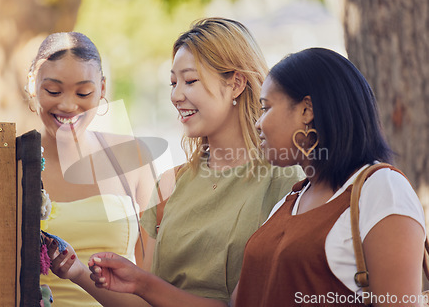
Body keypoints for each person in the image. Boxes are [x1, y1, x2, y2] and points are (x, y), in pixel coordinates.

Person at [88, 47, 426, 307]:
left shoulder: (380, 189)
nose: (258, 123)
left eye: (266, 108)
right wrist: (140, 283)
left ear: (307, 110)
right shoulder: (289, 201)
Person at [48, 18, 303, 306]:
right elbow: (144, 300)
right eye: (173, 82)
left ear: (236, 84)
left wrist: (144, 284)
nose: (176, 95)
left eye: (190, 81)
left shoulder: (285, 181)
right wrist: (78, 271)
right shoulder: (170, 183)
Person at [25, 31, 155, 306]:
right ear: (31, 85)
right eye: (53, 91)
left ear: (103, 88)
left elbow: (152, 291)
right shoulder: (12, 163)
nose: (69, 105)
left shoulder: (135, 158)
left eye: (83, 92)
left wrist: (81, 274)